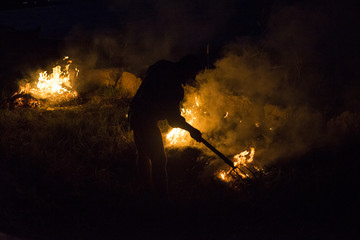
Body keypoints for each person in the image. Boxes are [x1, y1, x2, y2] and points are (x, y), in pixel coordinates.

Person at [129, 55, 203, 198]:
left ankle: (146, 192)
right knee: (159, 160)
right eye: (192, 74)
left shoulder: (162, 65)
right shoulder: (173, 86)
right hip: (145, 119)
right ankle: (162, 200)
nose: (191, 79)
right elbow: (174, 121)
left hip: (134, 111)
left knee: (143, 153)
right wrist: (192, 131)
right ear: (186, 70)